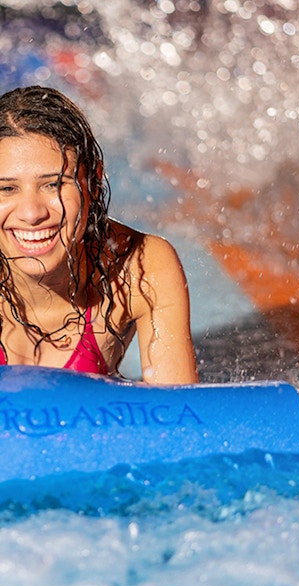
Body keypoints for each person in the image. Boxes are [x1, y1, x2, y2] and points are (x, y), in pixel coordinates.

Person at [0, 85, 198, 384]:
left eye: (53, 184)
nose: (31, 213)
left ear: (92, 181)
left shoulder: (140, 268)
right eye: (6, 188)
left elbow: (178, 418)